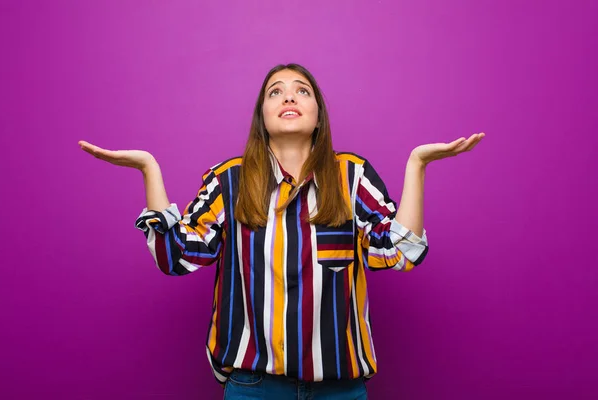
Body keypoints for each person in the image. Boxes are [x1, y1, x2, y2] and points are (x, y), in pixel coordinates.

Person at [79, 63, 485, 399]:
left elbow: (400, 253)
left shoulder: (352, 175)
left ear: (318, 115)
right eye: (275, 91)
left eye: (301, 90)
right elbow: (177, 256)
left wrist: (417, 165)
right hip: (253, 386)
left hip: (340, 388)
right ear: (262, 117)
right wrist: (150, 169)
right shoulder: (229, 180)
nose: (289, 97)